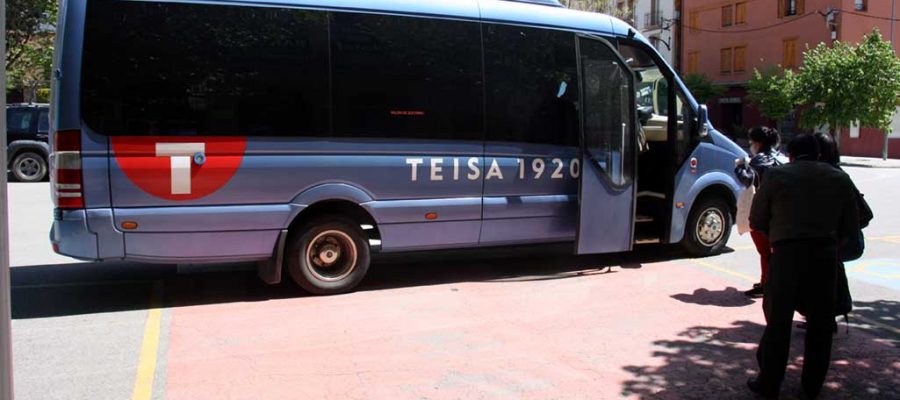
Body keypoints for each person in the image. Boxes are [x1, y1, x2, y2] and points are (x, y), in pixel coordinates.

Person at [747, 134, 860, 399]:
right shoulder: (838, 177)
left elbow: (757, 219)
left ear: (791, 154)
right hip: (824, 255)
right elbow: (851, 226)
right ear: (819, 153)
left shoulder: (777, 176)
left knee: (778, 322)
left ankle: (769, 383)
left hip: (787, 254)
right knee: (820, 327)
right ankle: (810, 389)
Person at [735, 127, 787, 298]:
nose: (751, 145)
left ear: (757, 143)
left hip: (763, 211)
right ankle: (770, 280)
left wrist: (740, 167)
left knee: (765, 251)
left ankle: (767, 284)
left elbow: (747, 179)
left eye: (751, 142)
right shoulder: (782, 158)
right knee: (775, 249)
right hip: (782, 210)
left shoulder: (759, 160)